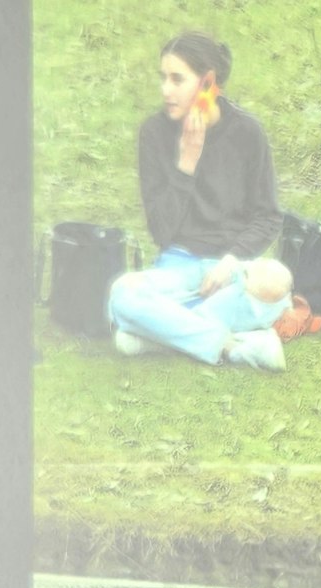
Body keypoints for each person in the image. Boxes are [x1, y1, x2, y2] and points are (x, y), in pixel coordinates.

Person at [106, 32, 293, 372]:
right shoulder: (154, 133)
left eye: (177, 79)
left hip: (232, 271)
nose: (166, 90)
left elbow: (267, 217)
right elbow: (161, 232)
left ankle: (156, 334)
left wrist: (231, 261)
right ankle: (232, 346)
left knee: (277, 280)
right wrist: (186, 164)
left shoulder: (247, 132)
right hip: (177, 270)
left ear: (208, 82)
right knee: (123, 292)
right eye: (163, 78)